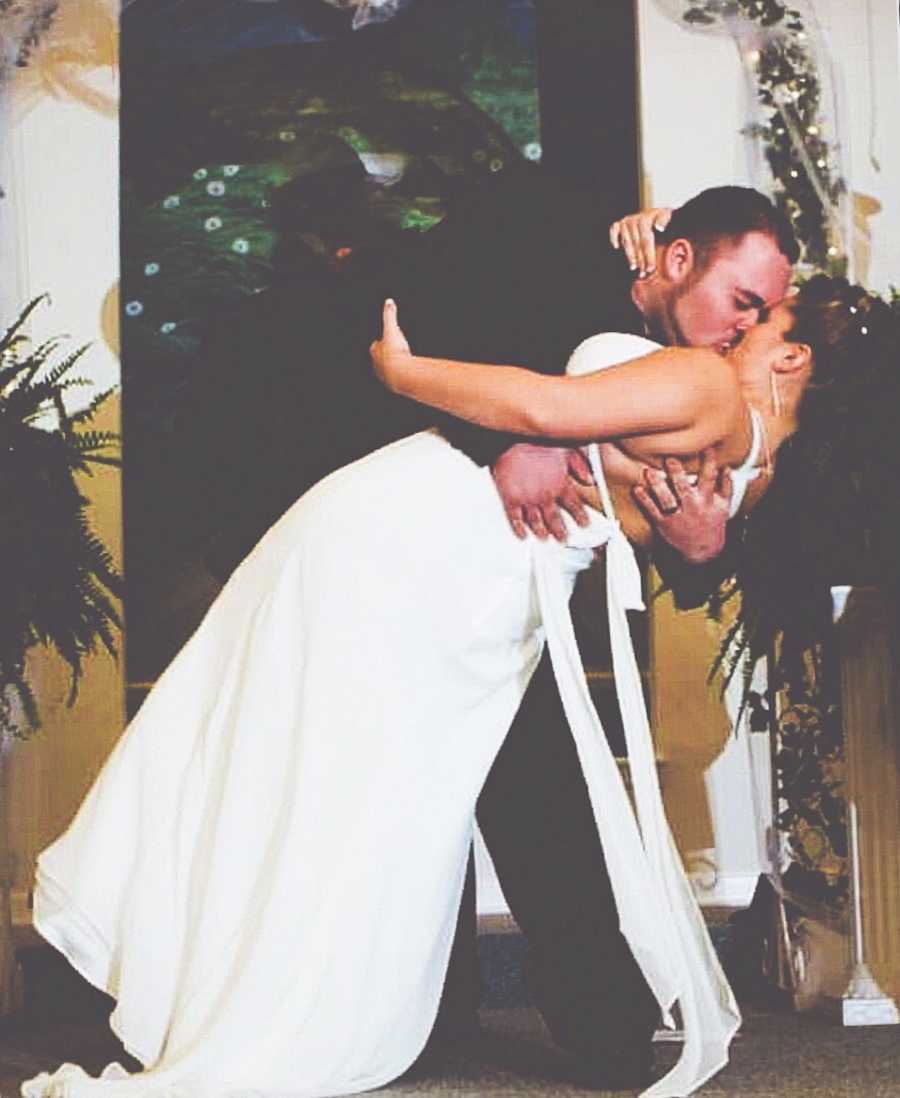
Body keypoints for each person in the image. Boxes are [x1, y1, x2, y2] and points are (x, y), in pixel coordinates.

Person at [23, 273, 888, 1098]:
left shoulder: (707, 388)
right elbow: (627, 491)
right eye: (747, 304)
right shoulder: (760, 464)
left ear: (792, 360)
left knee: (316, 774)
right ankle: (209, 986)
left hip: (447, 571)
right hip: (410, 544)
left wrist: (405, 372)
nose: (742, 325)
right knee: (309, 766)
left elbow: (544, 408)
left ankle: (233, 988)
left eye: (764, 320)